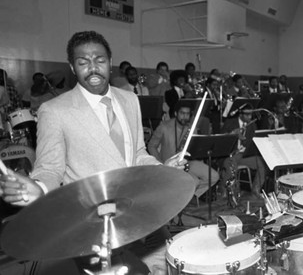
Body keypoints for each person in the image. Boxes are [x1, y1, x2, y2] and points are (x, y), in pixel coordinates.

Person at [0, 31, 185, 274]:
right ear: (72, 67)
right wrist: (40, 188)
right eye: (83, 62)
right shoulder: (54, 110)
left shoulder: (129, 99)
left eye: (99, 60)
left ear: (110, 62)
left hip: (138, 209)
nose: (92, 68)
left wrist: (163, 170)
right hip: (93, 221)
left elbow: (137, 153)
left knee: (164, 263)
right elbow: (50, 168)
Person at [148, 101, 219, 199]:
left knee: (214, 176)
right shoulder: (164, 126)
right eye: (182, 113)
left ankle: (189, 195)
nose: (185, 117)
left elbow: (195, 150)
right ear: (176, 113)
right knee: (195, 181)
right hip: (170, 164)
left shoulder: (192, 128)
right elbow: (151, 146)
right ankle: (182, 196)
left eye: (187, 114)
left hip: (188, 162)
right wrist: (160, 163)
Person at [221, 104, 268, 197]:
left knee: (262, 163)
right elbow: (221, 140)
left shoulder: (252, 125)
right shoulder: (230, 123)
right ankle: (228, 193)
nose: (250, 117)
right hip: (230, 155)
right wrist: (233, 134)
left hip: (244, 155)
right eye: (247, 114)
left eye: (251, 114)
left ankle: (256, 190)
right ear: (240, 114)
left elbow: (253, 142)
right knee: (231, 164)